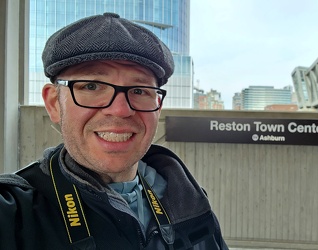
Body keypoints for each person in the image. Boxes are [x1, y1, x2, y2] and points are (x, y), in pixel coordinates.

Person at [0, 13, 228, 250]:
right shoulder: (14, 215)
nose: (120, 110)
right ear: (54, 104)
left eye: (139, 90)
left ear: (158, 108)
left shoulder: (189, 205)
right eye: (92, 86)